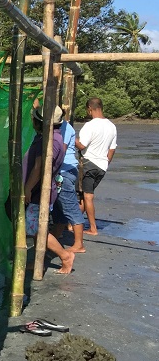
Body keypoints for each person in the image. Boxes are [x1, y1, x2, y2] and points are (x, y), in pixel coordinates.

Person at [22, 103, 74, 274]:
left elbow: (39, 167)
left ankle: (65, 256)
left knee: (37, 229)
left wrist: (28, 188)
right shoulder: (51, 137)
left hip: (39, 190)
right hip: (39, 189)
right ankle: (39, 261)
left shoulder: (50, 141)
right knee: (36, 227)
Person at [76, 97, 117, 236]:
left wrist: (70, 138)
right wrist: (106, 163)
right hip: (102, 166)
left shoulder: (90, 126)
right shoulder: (112, 126)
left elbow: (82, 145)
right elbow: (112, 149)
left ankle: (93, 228)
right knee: (83, 194)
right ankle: (72, 224)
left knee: (87, 196)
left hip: (89, 164)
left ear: (89, 109)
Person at [52, 104, 85, 252]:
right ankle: (56, 234)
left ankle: (79, 244)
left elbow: (61, 150)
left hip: (64, 170)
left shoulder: (64, 128)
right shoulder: (61, 127)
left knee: (69, 205)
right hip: (62, 170)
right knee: (59, 207)